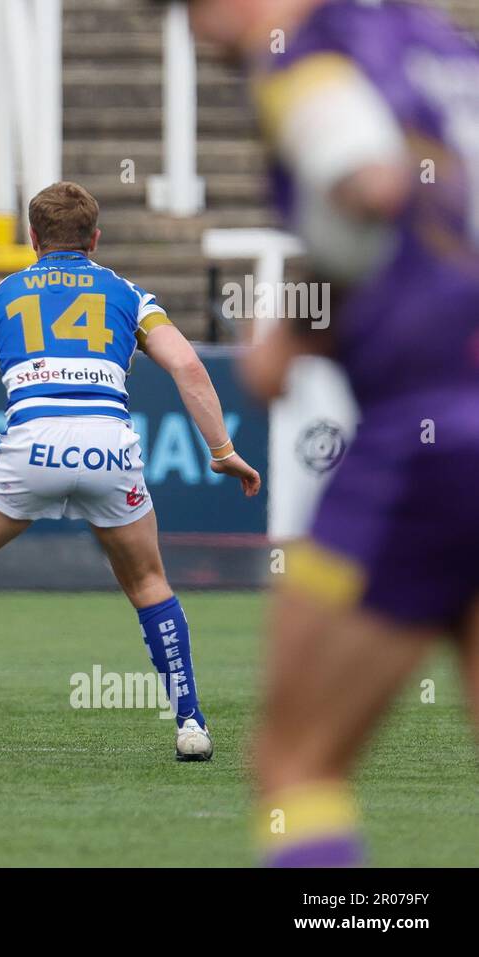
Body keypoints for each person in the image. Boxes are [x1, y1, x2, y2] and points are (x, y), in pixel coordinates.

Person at [167, 0, 479, 865]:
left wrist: (302, 324)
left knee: (294, 762)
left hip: (438, 434)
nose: (196, 30)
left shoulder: (306, 56)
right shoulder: (430, 39)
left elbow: (371, 182)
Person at [0, 181, 261, 763]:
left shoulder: (0, 298)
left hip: (31, 449)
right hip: (109, 451)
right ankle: (190, 723)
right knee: (150, 584)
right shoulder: (129, 294)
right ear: (95, 239)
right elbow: (187, 365)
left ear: (32, 239)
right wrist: (222, 448)